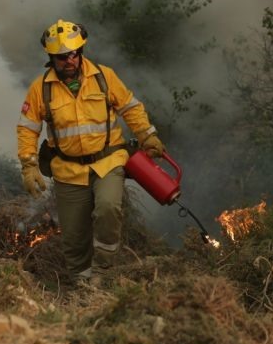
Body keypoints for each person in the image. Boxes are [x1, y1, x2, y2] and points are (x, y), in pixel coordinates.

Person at [16, 19, 164, 285]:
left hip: (109, 160)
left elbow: (130, 107)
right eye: (61, 57)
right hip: (68, 169)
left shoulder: (104, 76)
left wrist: (147, 135)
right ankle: (81, 285)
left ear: (80, 51)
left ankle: (103, 273)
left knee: (108, 208)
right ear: (52, 57)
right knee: (73, 235)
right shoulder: (41, 89)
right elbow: (27, 129)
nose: (69, 61)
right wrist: (28, 165)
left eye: (73, 54)